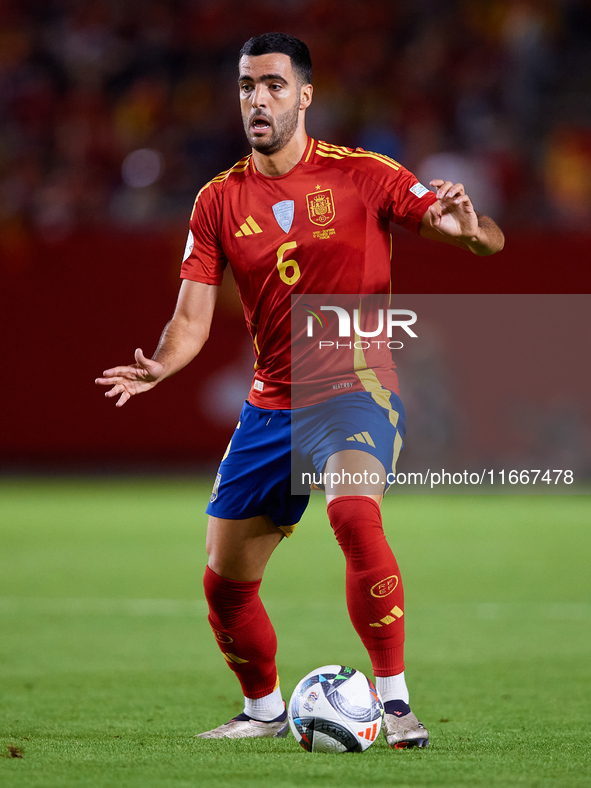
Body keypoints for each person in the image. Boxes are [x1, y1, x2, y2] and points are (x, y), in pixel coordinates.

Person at [96, 32, 504, 748]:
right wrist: (161, 364)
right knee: (224, 581)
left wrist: (471, 231)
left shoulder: (364, 175)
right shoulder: (217, 200)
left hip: (355, 389)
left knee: (353, 518)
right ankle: (262, 710)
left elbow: (477, 236)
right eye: (247, 86)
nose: (258, 99)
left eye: (274, 86)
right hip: (271, 405)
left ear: (305, 96)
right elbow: (189, 318)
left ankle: (396, 703)